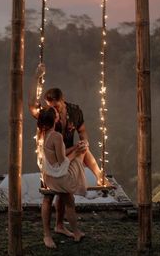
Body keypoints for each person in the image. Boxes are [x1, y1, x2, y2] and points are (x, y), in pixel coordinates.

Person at [28, 63, 111, 248]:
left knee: (83, 151)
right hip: (51, 159)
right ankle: (47, 234)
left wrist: (84, 142)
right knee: (50, 195)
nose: (54, 110)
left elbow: (82, 131)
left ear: (62, 101)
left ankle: (99, 176)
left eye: (56, 106)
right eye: (51, 107)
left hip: (66, 154)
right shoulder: (47, 115)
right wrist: (36, 78)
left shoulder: (74, 110)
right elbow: (32, 105)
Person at [37, 107, 87, 243]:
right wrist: (77, 153)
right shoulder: (57, 136)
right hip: (59, 177)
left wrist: (75, 147)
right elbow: (62, 162)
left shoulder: (43, 134)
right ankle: (76, 233)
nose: (59, 114)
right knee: (70, 201)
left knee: (68, 199)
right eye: (57, 113)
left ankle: (72, 231)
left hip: (50, 176)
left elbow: (57, 154)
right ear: (55, 119)